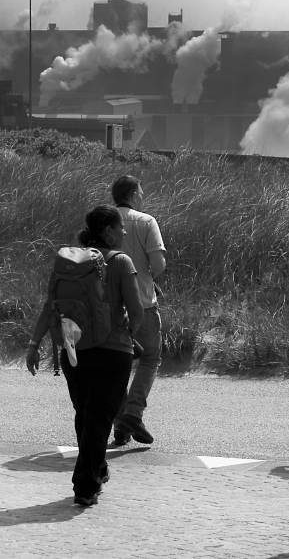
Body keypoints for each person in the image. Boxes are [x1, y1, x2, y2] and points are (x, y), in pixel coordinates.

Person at [26, 205, 144, 507]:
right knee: (99, 418)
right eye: (120, 227)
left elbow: (49, 306)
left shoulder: (69, 262)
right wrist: (129, 334)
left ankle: (99, 468)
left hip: (73, 349)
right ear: (108, 232)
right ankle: (85, 485)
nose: (125, 232)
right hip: (113, 351)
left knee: (86, 415)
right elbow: (137, 310)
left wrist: (33, 343)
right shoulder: (120, 261)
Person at [109, 175, 166, 446]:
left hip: (108, 308)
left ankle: (120, 423)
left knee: (117, 363)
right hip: (142, 302)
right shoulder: (146, 221)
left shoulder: (102, 220)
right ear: (133, 194)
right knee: (150, 358)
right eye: (141, 192)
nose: (143, 196)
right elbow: (159, 264)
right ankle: (133, 412)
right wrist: (147, 275)